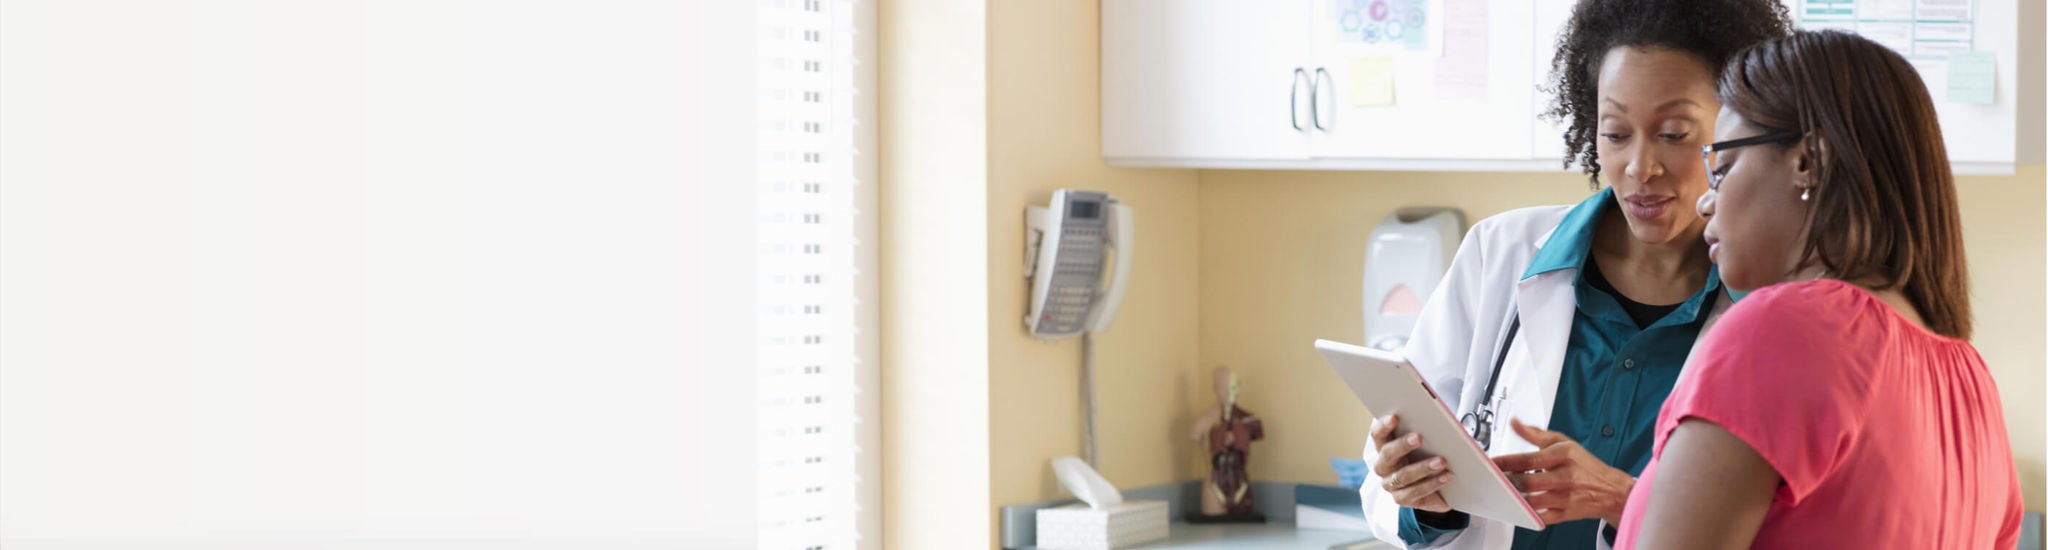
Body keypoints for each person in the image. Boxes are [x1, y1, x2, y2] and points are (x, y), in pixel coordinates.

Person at [1359, 0, 1793, 548]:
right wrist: (1420, 497)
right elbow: (1390, 476)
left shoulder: (1774, 309)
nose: (1640, 167)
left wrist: (1624, 499)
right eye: (1615, 133)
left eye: (1674, 134)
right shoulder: (1500, 254)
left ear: (1735, 133)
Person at [1613, 30, 2024, 549]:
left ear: (1808, 161)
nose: (1705, 202)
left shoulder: (1778, 330)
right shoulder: (1969, 379)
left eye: (1722, 169)